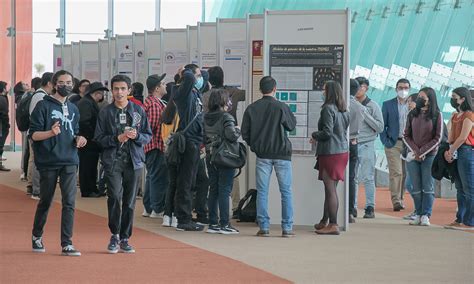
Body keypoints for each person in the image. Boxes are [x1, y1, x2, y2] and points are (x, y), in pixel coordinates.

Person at [30, 70, 87, 256]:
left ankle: (67, 243)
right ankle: (37, 236)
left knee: (69, 202)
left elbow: (74, 131)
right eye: (62, 82)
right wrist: (50, 133)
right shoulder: (42, 106)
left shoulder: (73, 108)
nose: (66, 85)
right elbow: (34, 135)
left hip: (70, 160)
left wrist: (80, 139)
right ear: (55, 84)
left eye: (69, 82)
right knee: (46, 200)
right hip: (48, 161)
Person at [94, 74, 151, 253]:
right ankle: (115, 234)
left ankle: (125, 237)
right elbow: (98, 138)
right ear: (111, 91)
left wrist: (137, 136)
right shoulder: (105, 112)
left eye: (123, 89)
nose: (119, 92)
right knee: (114, 197)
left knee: (130, 201)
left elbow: (148, 135)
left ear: (129, 90)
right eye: (116, 89)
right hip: (112, 162)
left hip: (133, 162)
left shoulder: (138, 111)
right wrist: (115, 138)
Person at [242, 76, 296, 237]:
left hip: (262, 155)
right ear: (275, 89)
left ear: (260, 90)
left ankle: (264, 226)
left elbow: (245, 133)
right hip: (282, 154)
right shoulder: (281, 107)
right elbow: (291, 125)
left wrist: (255, 145)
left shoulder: (252, 108)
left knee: (262, 191)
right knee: (286, 191)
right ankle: (287, 228)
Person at [170, 64, 208, 231]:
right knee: (185, 182)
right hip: (188, 141)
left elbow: (205, 77)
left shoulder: (195, 92)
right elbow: (191, 78)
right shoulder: (181, 93)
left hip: (195, 141)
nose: (200, 78)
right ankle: (183, 219)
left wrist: (196, 73)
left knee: (193, 180)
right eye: (197, 75)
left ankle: (186, 216)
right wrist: (185, 72)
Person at [205, 66, 246, 217]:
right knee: (229, 183)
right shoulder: (232, 92)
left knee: (214, 186)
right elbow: (248, 94)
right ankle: (234, 209)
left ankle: (213, 219)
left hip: (211, 147)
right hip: (228, 145)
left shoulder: (205, 96)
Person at [311, 81, 350, 235]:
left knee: (330, 189)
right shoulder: (344, 110)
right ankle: (324, 220)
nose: (322, 91)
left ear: (330, 92)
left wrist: (314, 135)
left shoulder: (328, 109)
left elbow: (327, 132)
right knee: (331, 188)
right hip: (342, 151)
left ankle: (333, 224)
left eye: (324, 89)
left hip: (330, 152)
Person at [403, 87, 443, 226]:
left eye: (422, 97)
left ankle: (426, 214)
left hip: (430, 156)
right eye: (418, 96)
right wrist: (415, 151)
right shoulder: (412, 114)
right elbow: (406, 135)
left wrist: (422, 152)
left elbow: (438, 138)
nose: (419, 99)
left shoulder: (437, 115)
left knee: (428, 186)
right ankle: (418, 213)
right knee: (415, 187)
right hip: (413, 156)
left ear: (430, 99)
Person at [204, 89, 241, 234]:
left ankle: (213, 223)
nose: (230, 102)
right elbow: (231, 135)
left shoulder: (206, 117)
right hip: (225, 156)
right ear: (224, 101)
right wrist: (238, 130)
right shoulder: (226, 117)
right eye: (228, 100)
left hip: (210, 156)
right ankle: (225, 224)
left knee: (213, 189)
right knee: (225, 190)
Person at [444, 87, 474, 230]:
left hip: (466, 152)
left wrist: (451, 150)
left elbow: (463, 137)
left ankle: (470, 220)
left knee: (469, 188)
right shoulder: (455, 115)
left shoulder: (469, 115)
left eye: (455, 96)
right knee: (460, 187)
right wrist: (449, 150)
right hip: (456, 151)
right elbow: (451, 135)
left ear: (462, 98)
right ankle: (460, 218)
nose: (453, 99)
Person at [354, 77, 384, 218]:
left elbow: (380, 127)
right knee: (351, 177)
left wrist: (364, 113)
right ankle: (351, 206)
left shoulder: (373, 106)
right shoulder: (349, 104)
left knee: (368, 177)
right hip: (351, 143)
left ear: (366, 88)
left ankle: (370, 206)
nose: (357, 90)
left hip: (367, 144)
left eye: (360, 87)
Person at [381, 78, 412, 211]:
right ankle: (396, 201)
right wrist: (385, 141)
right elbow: (382, 125)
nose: (403, 90)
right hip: (393, 143)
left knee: (404, 173)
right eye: (400, 88)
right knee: (396, 172)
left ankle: (401, 198)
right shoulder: (388, 104)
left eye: (405, 88)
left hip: (409, 144)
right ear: (396, 89)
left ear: (409, 89)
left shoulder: (413, 105)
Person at [142, 74, 169, 218]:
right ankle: (157, 209)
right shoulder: (154, 105)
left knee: (151, 177)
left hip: (152, 146)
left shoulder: (153, 102)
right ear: (157, 88)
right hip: (156, 145)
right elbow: (150, 127)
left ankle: (149, 206)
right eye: (163, 84)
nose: (166, 86)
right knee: (158, 178)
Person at [77, 81, 108, 198]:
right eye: (101, 93)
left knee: (90, 165)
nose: (102, 96)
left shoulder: (87, 102)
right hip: (88, 141)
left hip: (89, 140)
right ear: (96, 93)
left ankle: (91, 188)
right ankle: (88, 190)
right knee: (87, 166)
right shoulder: (86, 103)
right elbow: (84, 122)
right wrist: (93, 135)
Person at [27, 72, 54, 199]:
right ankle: (36, 190)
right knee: (38, 161)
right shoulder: (41, 97)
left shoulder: (38, 95)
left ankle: (33, 186)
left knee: (34, 160)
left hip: (38, 133)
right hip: (39, 134)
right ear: (49, 83)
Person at [160, 93, 179, 228]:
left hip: (167, 151)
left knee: (171, 184)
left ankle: (167, 215)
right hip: (179, 152)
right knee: (180, 185)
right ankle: (176, 216)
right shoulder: (180, 114)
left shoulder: (166, 114)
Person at [347, 79, 364, 222]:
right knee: (351, 177)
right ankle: (350, 211)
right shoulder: (360, 107)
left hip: (341, 143)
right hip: (354, 142)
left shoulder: (342, 105)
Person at [0, 81, 10, 171]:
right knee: (0, 145)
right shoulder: (2, 99)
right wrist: (7, 126)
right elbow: (4, 114)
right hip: (2, 127)